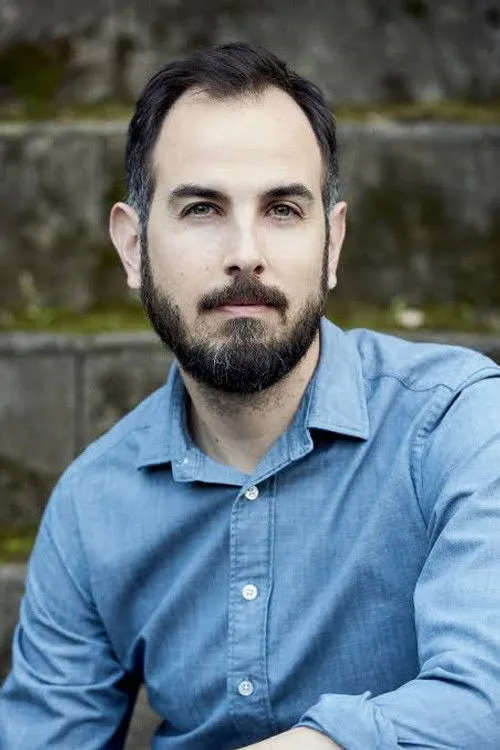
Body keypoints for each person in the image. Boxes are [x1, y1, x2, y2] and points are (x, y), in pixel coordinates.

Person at [1, 41, 500, 750]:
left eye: (283, 209)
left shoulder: (458, 423)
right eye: (202, 208)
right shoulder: (91, 508)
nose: (245, 252)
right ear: (134, 247)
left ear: (332, 244)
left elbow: (487, 698)